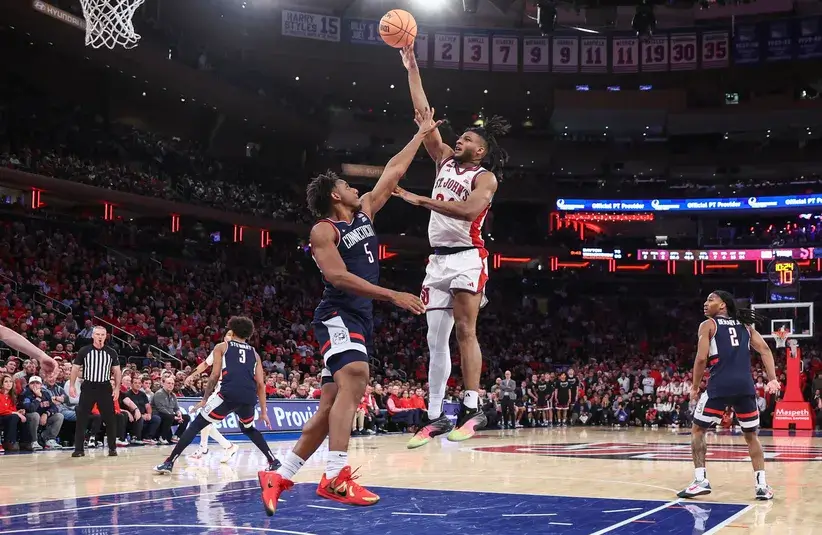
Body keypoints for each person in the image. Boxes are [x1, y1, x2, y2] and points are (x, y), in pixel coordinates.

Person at [256, 110, 436, 515]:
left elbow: (393, 171)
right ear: (335, 196)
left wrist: (420, 134)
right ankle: (337, 476)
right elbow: (337, 276)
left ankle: (280, 475)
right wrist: (392, 294)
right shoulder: (324, 230)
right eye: (346, 185)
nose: (356, 188)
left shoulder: (365, 211)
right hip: (337, 314)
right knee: (356, 375)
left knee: (330, 406)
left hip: (360, 317)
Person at [397, 45, 510, 448]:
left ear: (480, 150)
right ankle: (434, 416)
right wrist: (412, 68)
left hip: (467, 258)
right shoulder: (444, 160)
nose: (458, 140)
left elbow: (468, 211)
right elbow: (424, 115)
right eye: (458, 137)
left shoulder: (485, 177)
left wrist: (421, 200)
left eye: (466, 139)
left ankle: (472, 406)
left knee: (465, 330)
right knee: (434, 340)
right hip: (438, 262)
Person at [678, 291, 780, 501]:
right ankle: (761, 486)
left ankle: (700, 480)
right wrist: (772, 379)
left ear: (723, 305)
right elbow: (765, 350)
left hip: (720, 386)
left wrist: (695, 387)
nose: (705, 303)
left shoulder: (708, 325)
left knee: (698, 430)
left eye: (710, 299)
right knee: (751, 436)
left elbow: (701, 358)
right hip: (745, 387)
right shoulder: (745, 326)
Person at [154, 316, 280, 475]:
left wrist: (204, 399)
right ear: (248, 333)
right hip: (249, 397)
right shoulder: (255, 353)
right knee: (248, 428)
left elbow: (214, 375)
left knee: (196, 425)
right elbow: (261, 384)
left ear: (232, 330)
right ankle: (273, 460)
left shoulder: (222, 347)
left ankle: (169, 462)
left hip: (228, 394)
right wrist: (264, 412)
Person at [183, 331, 237, 461]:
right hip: (221, 388)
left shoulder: (240, 352)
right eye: (228, 334)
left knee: (204, 417)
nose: (229, 337)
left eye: (232, 335)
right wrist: (192, 375)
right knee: (205, 418)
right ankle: (208, 447)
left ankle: (223, 446)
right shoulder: (219, 349)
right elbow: (205, 364)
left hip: (230, 389)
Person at [70, 326, 121, 456]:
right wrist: (71, 385)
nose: (100, 337)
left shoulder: (111, 352)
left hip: (104, 387)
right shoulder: (84, 350)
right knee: (82, 418)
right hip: (88, 386)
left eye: (102, 335)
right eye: (97, 334)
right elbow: (75, 368)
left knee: (110, 418)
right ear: (93, 335)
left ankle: (112, 448)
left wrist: (117, 388)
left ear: (106, 336)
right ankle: (79, 449)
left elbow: (117, 371)